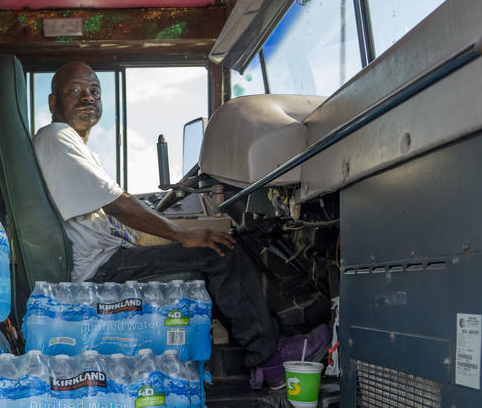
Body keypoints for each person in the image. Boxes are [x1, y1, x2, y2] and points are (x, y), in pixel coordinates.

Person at [32, 62, 327, 387]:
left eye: (95, 92)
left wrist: (171, 237)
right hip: (100, 269)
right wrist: (181, 235)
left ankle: (251, 353)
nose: (88, 98)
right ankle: (269, 359)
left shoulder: (74, 146)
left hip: (106, 258)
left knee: (212, 243)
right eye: (75, 91)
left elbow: (112, 211)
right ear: (53, 102)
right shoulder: (56, 137)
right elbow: (117, 202)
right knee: (220, 252)